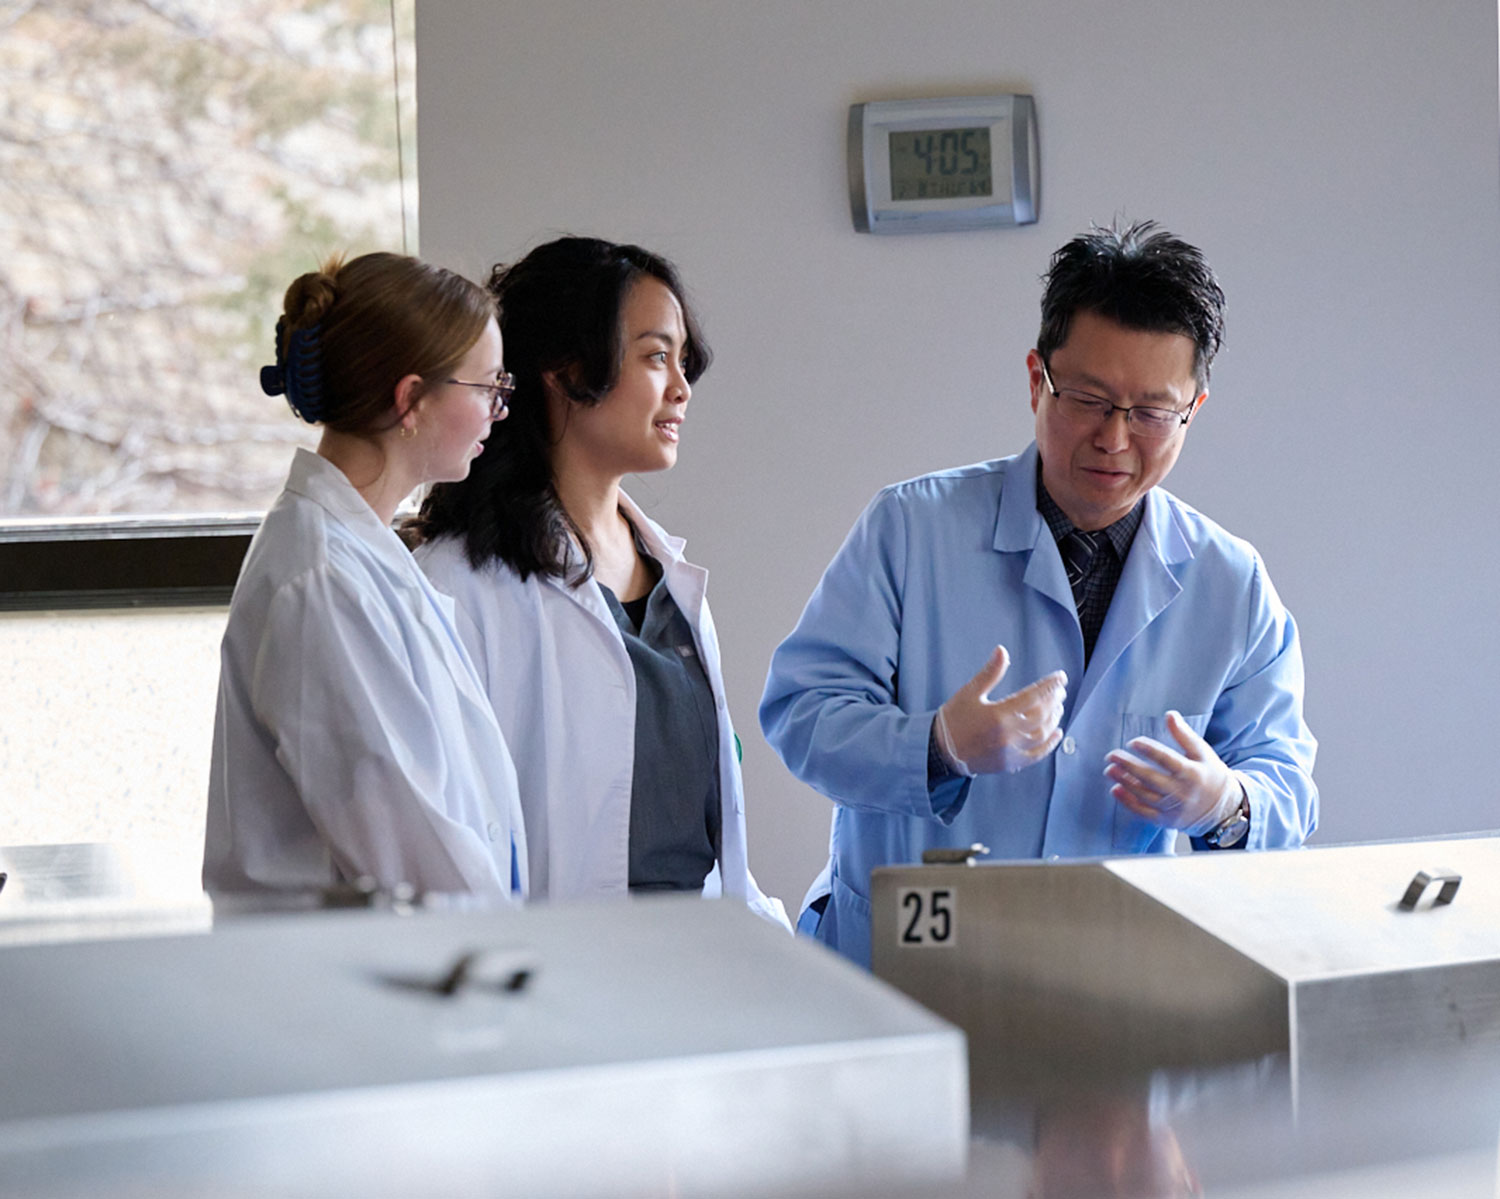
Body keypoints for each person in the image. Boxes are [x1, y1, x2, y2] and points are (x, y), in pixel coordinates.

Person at [760, 220, 1317, 967]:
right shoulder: (910, 528)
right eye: (1088, 398)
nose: (1115, 439)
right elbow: (800, 713)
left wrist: (1224, 802)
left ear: (1193, 411)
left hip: (1112, 980)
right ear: (1036, 379)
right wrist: (937, 745)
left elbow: (1288, 789)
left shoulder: (1231, 583)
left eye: (1151, 412)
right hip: (905, 966)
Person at [410, 236, 787, 926]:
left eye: (682, 361)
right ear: (565, 371)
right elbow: (445, 845)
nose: (681, 387)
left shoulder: (671, 578)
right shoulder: (457, 587)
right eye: (654, 356)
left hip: (704, 969)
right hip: (562, 984)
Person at [203, 251, 526, 902]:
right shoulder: (321, 580)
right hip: (348, 978)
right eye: (489, 386)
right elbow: (411, 846)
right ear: (411, 400)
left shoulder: (358, 553)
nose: (500, 410)